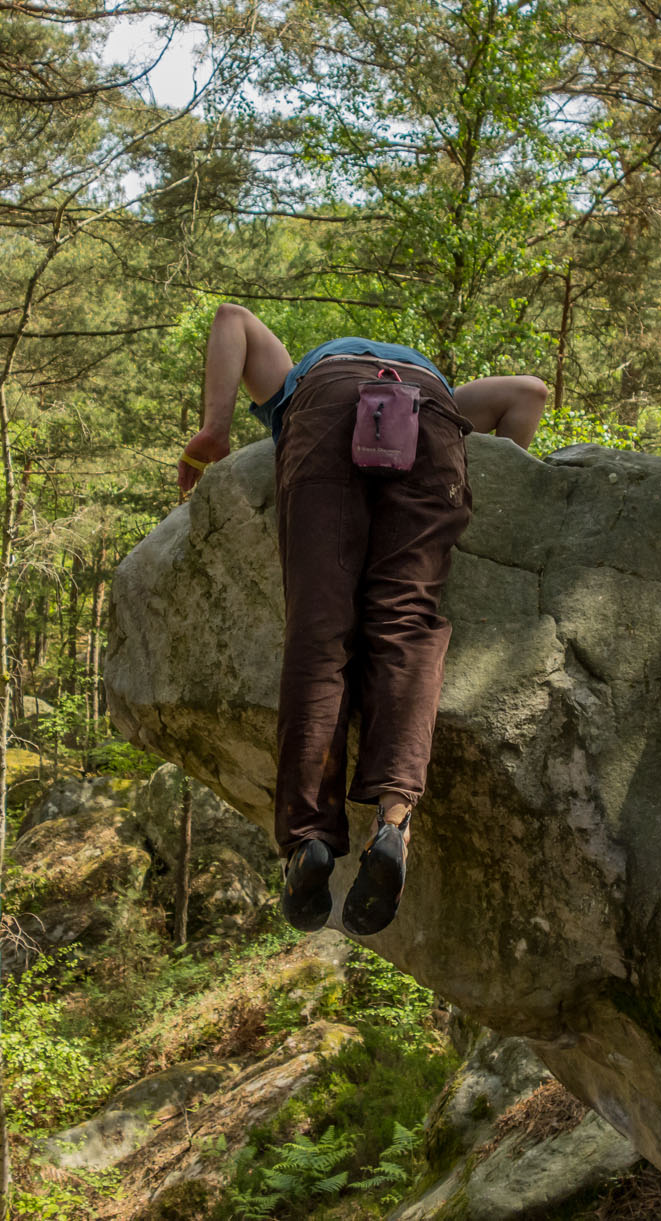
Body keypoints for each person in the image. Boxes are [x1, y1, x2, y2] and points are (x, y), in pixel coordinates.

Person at [179, 303, 548, 935]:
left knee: (320, 635)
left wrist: (214, 429)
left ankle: (309, 839)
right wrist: (469, 460)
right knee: (407, 622)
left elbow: (231, 318)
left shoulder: (299, 373)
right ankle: (395, 823)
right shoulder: (430, 382)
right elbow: (530, 393)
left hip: (323, 409)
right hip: (430, 416)